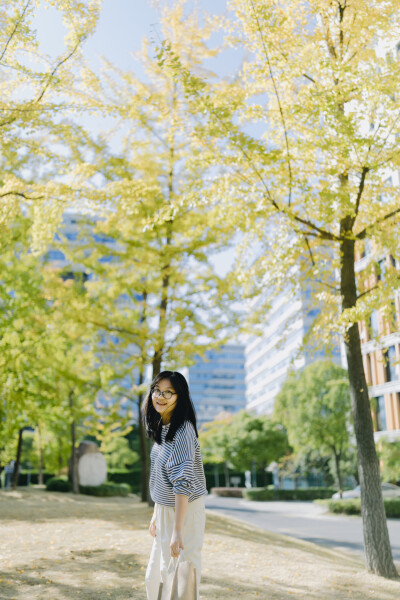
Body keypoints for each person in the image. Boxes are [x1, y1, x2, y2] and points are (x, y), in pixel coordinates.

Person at [143, 370, 208, 600]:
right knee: (155, 578)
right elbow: (162, 476)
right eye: (157, 391)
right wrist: (156, 512)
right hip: (165, 509)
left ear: (180, 397)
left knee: (182, 580)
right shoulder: (162, 426)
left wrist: (178, 530)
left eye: (168, 393)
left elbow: (182, 483)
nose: (160, 397)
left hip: (185, 512)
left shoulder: (183, 430)